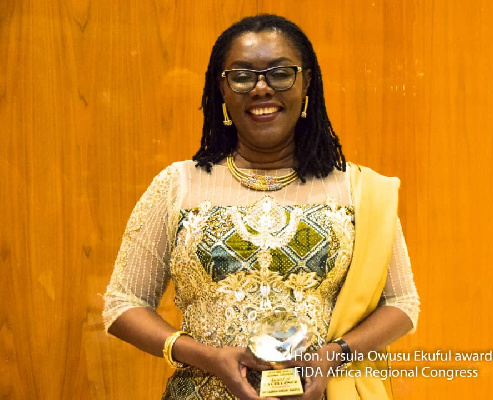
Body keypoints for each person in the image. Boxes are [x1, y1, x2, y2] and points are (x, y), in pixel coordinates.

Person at [103, 14, 420, 400]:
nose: (261, 88)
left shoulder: (359, 191)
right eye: (242, 76)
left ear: (307, 84)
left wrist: (333, 356)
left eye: (281, 73)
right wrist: (206, 357)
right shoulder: (177, 185)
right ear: (221, 90)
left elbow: (402, 303)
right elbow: (123, 305)